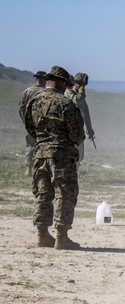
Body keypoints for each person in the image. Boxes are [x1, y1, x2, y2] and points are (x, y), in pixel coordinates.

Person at [22, 66, 85, 249]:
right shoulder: (65, 104)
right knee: (64, 194)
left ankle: (42, 235)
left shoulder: (33, 101)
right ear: (63, 83)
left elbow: (30, 129)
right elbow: (77, 136)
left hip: (40, 153)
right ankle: (61, 237)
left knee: (43, 193)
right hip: (62, 156)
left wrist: (43, 140)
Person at [18, 70, 47, 175]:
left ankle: (29, 168)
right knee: (44, 145)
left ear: (36, 79)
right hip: (44, 124)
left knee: (30, 144)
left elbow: (21, 108)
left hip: (30, 123)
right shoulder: (47, 92)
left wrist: (25, 121)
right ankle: (41, 168)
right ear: (45, 80)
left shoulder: (27, 91)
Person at [67, 72, 96, 160]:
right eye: (80, 85)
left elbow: (86, 113)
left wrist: (89, 129)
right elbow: (76, 102)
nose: (82, 87)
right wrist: (81, 92)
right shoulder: (68, 93)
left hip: (77, 131)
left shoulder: (80, 96)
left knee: (79, 157)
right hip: (68, 131)